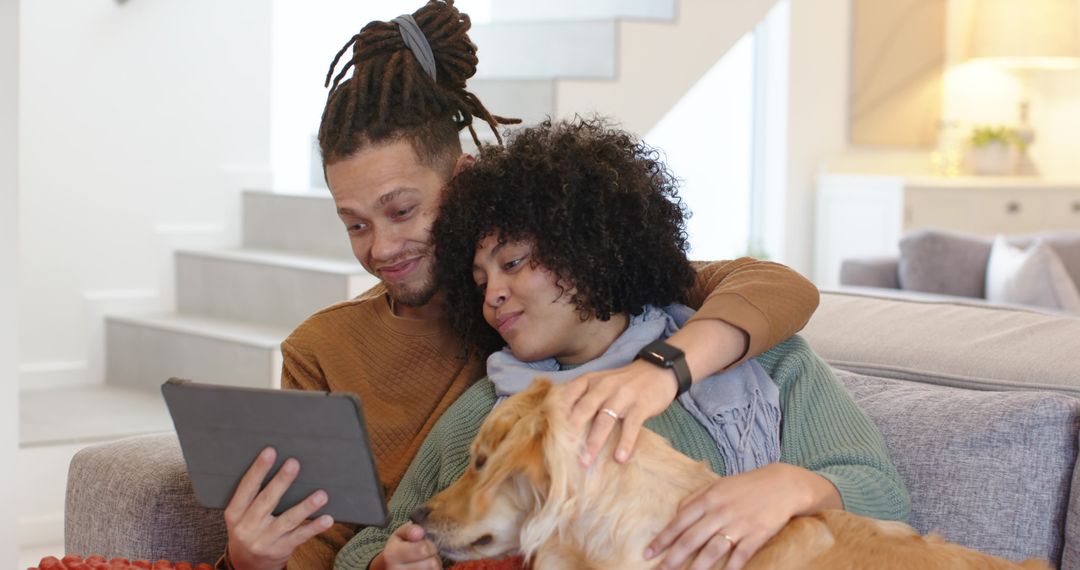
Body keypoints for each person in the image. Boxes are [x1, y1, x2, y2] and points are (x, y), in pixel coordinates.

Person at [219, 2, 820, 569]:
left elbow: (774, 286)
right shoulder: (324, 350)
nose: (379, 248)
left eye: (401, 211)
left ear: (461, 183)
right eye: (355, 224)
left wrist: (660, 371)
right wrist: (252, 560)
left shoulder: (559, 294)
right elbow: (329, 546)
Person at [335, 118, 910, 570]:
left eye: (513, 263)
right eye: (480, 281)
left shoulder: (763, 360)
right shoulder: (490, 414)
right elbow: (366, 548)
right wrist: (391, 562)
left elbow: (883, 495)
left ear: (588, 247)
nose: (495, 296)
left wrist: (787, 488)